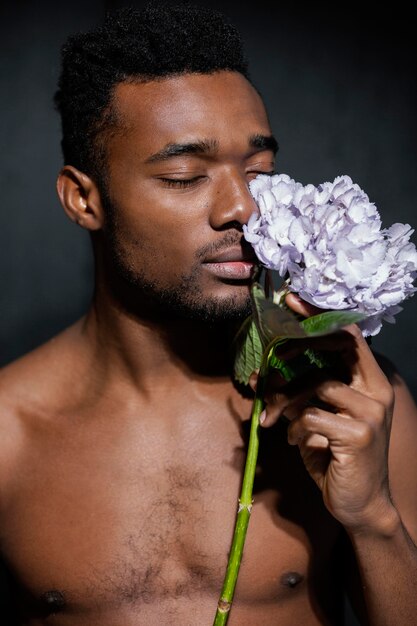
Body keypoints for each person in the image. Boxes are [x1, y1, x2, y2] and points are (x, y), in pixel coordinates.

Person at [0, 4, 416, 625]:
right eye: (185, 176)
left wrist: (376, 519)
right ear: (84, 199)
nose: (244, 208)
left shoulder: (350, 400)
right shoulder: (9, 432)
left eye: (259, 171)